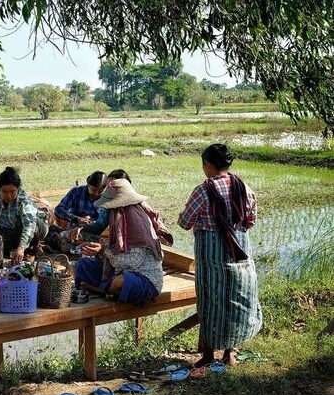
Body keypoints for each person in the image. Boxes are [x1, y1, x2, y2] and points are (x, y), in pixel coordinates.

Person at [178, 143, 262, 367]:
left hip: (211, 257)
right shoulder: (244, 187)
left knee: (210, 301)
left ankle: (207, 355)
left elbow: (184, 222)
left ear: (207, 165)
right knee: (236, 299)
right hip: (239, 251)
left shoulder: (202, 190)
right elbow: (250, 220)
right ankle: (230, 353)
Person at [73, 178, 165, 304]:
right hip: (118, 270)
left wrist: (104, 251)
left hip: (144, 278)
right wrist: (99, 250)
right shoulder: (119, 217)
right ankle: (108, 290)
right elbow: (115, 251)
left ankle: (105, 291)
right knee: (83, 265)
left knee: (121, 282)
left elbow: (132, 261)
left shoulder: (137, 221)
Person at [0, 166, 49, 264]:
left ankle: (33, 249)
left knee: (29, 223)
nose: (8, 196)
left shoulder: (23, 201)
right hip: (12, 230)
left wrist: (21, 248)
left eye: (12, 192)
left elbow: (29, 225)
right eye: (4, 192)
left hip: (37, 226)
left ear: (18, 189)